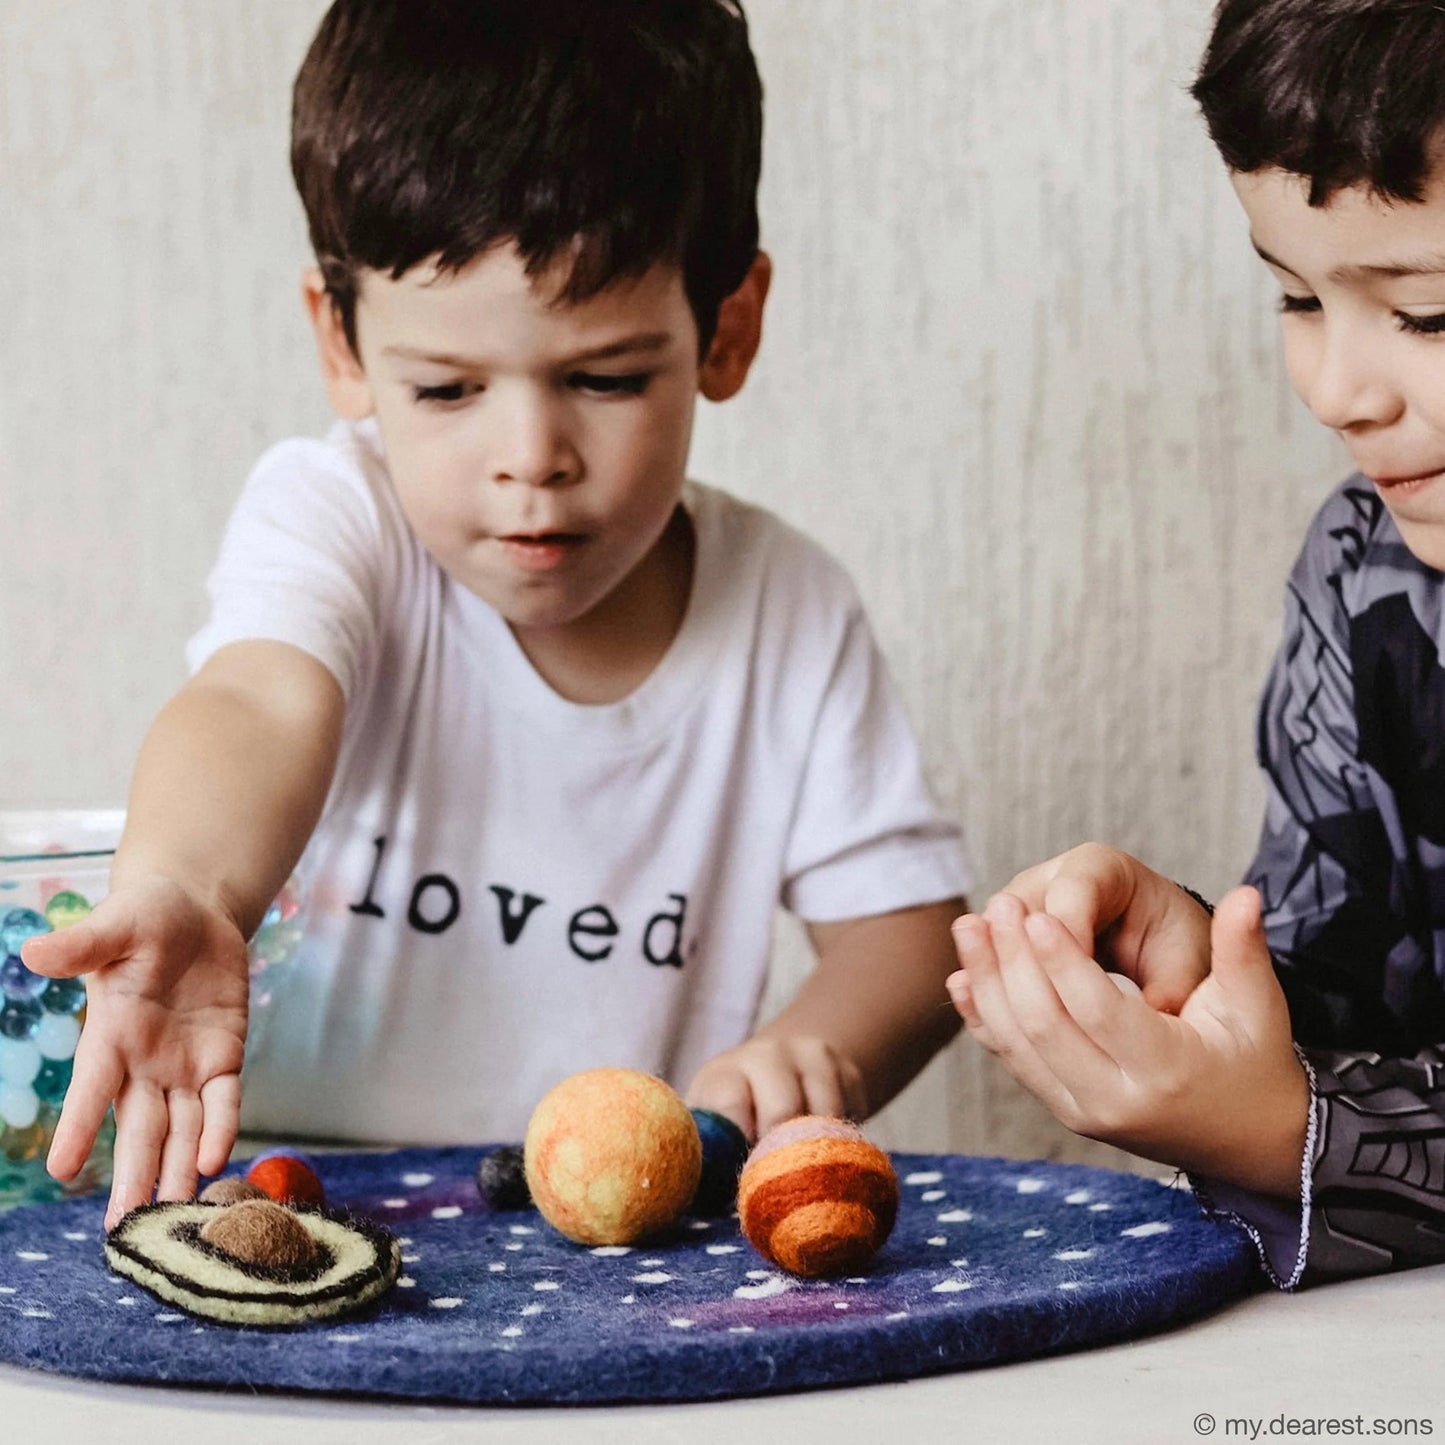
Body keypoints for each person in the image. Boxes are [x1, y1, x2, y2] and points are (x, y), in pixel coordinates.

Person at [22, 0, 969, 1229]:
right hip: (291, 1204)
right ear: (343, 342)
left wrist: (810, 1047)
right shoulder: (336, 516)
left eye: (605, 378)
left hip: (605, 1250)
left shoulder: (785, 609)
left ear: (725, 328)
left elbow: (908, 933)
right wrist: (185, 881)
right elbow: (258, 695)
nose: (532, 456)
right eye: (447, 389)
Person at [949, 0, 1445, 1289]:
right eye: (1293, 294)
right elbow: (1362, 996)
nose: (1341, 387)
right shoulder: (1363, 572)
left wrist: (1287, 1131)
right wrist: (1195, 978)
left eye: (1428, 314)